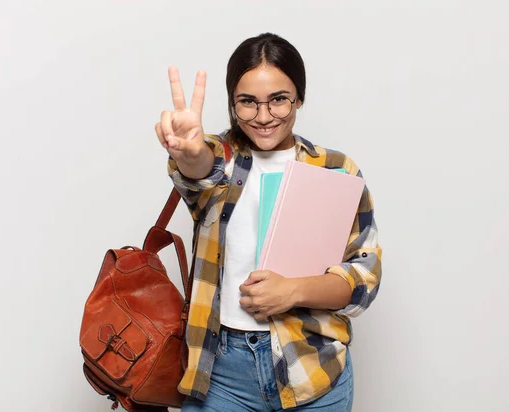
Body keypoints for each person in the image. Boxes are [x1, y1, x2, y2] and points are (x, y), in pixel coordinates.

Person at [154, 33, 382, 412]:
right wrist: (189, 154)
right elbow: (198, 172)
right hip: (222, 374)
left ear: (300, 98)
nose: (263, 117)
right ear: (232, 103)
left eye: (278, 99)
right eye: (247, 102)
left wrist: (292, 291)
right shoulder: (219, 158)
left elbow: (364, 278)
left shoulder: (335, 170)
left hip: (312, 368)